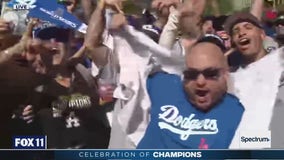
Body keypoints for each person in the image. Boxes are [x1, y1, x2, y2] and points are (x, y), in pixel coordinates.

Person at [137, 36, 244, 149]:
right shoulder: (165, 86)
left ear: (226, 75)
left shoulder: (240, 112)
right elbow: (129, 65)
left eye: (210, 74)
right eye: (191, 74)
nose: (200, 82)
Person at [224, 11, 284, 149]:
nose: (241, 33)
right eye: (236, 31)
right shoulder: (232, 77)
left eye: (248, 27)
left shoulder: (280, 57)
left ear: (262, 35)